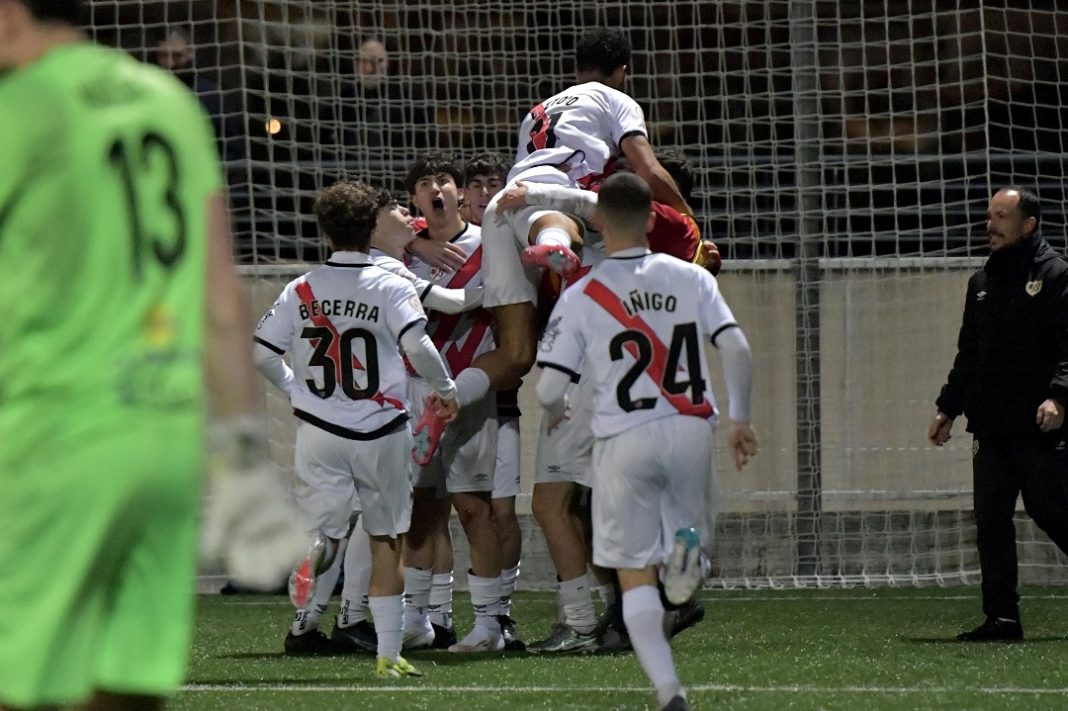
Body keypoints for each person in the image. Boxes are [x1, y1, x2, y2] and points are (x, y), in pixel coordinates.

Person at [0, 2, 307, 709]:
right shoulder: (167, 103)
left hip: (54, 437)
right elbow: (222, 300)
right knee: (124, 689)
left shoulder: (24, 107)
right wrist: (240, 463)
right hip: (166, 446)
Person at [536, 173, 757, 711]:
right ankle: (691, 561)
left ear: (598, 223)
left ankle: (668, 692)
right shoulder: (691, 277)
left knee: (632, 574)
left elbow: (547, 387)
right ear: (654, 218)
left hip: (622, 440)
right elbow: (737, 348)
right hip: (689, 428)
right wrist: (740, 420)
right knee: (691, 551)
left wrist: (557, 406)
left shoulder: (582, 293)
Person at [252, 179, 460, 678]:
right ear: (371, 227)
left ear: (324, 230)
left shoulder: (300, 288)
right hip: (379, 428)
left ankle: (310, 579)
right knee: (385, 536)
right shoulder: (388, 282)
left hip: (319, 430)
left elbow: (262, 353)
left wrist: (298, 392)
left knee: (329, 530)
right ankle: (389, 654)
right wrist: (447, 390)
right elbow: (419, 347)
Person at [928, 186, 1068, 642]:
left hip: (1038, 425)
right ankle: (1002, 619)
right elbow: (970, 353)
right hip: (990, 425)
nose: (990, 225)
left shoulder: (1055, 274)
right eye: (990, 215)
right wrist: (948, 407)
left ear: (1028, 224)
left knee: (1052, 512)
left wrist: (1058, 397)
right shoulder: (982, 282)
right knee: (990, 522)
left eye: (1001, 216)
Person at [400, 154, 508, 653]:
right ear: (415, 200)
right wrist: (415, 243)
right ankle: (417, 620)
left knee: (472, 506)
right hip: (412, 391)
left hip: (466, 389)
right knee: (422, 509)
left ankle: (488, 625)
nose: (436, 190)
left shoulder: (489, 245)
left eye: (443, 180)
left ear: (460, 192)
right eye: (425, 184)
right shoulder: (400, 252)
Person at [154, 27, 244, 163]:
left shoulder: (211, 94)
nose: (169, 63)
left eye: (177, 56)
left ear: (191, 53)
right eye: (163, 56)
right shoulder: (146, 92)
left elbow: (231, 147)